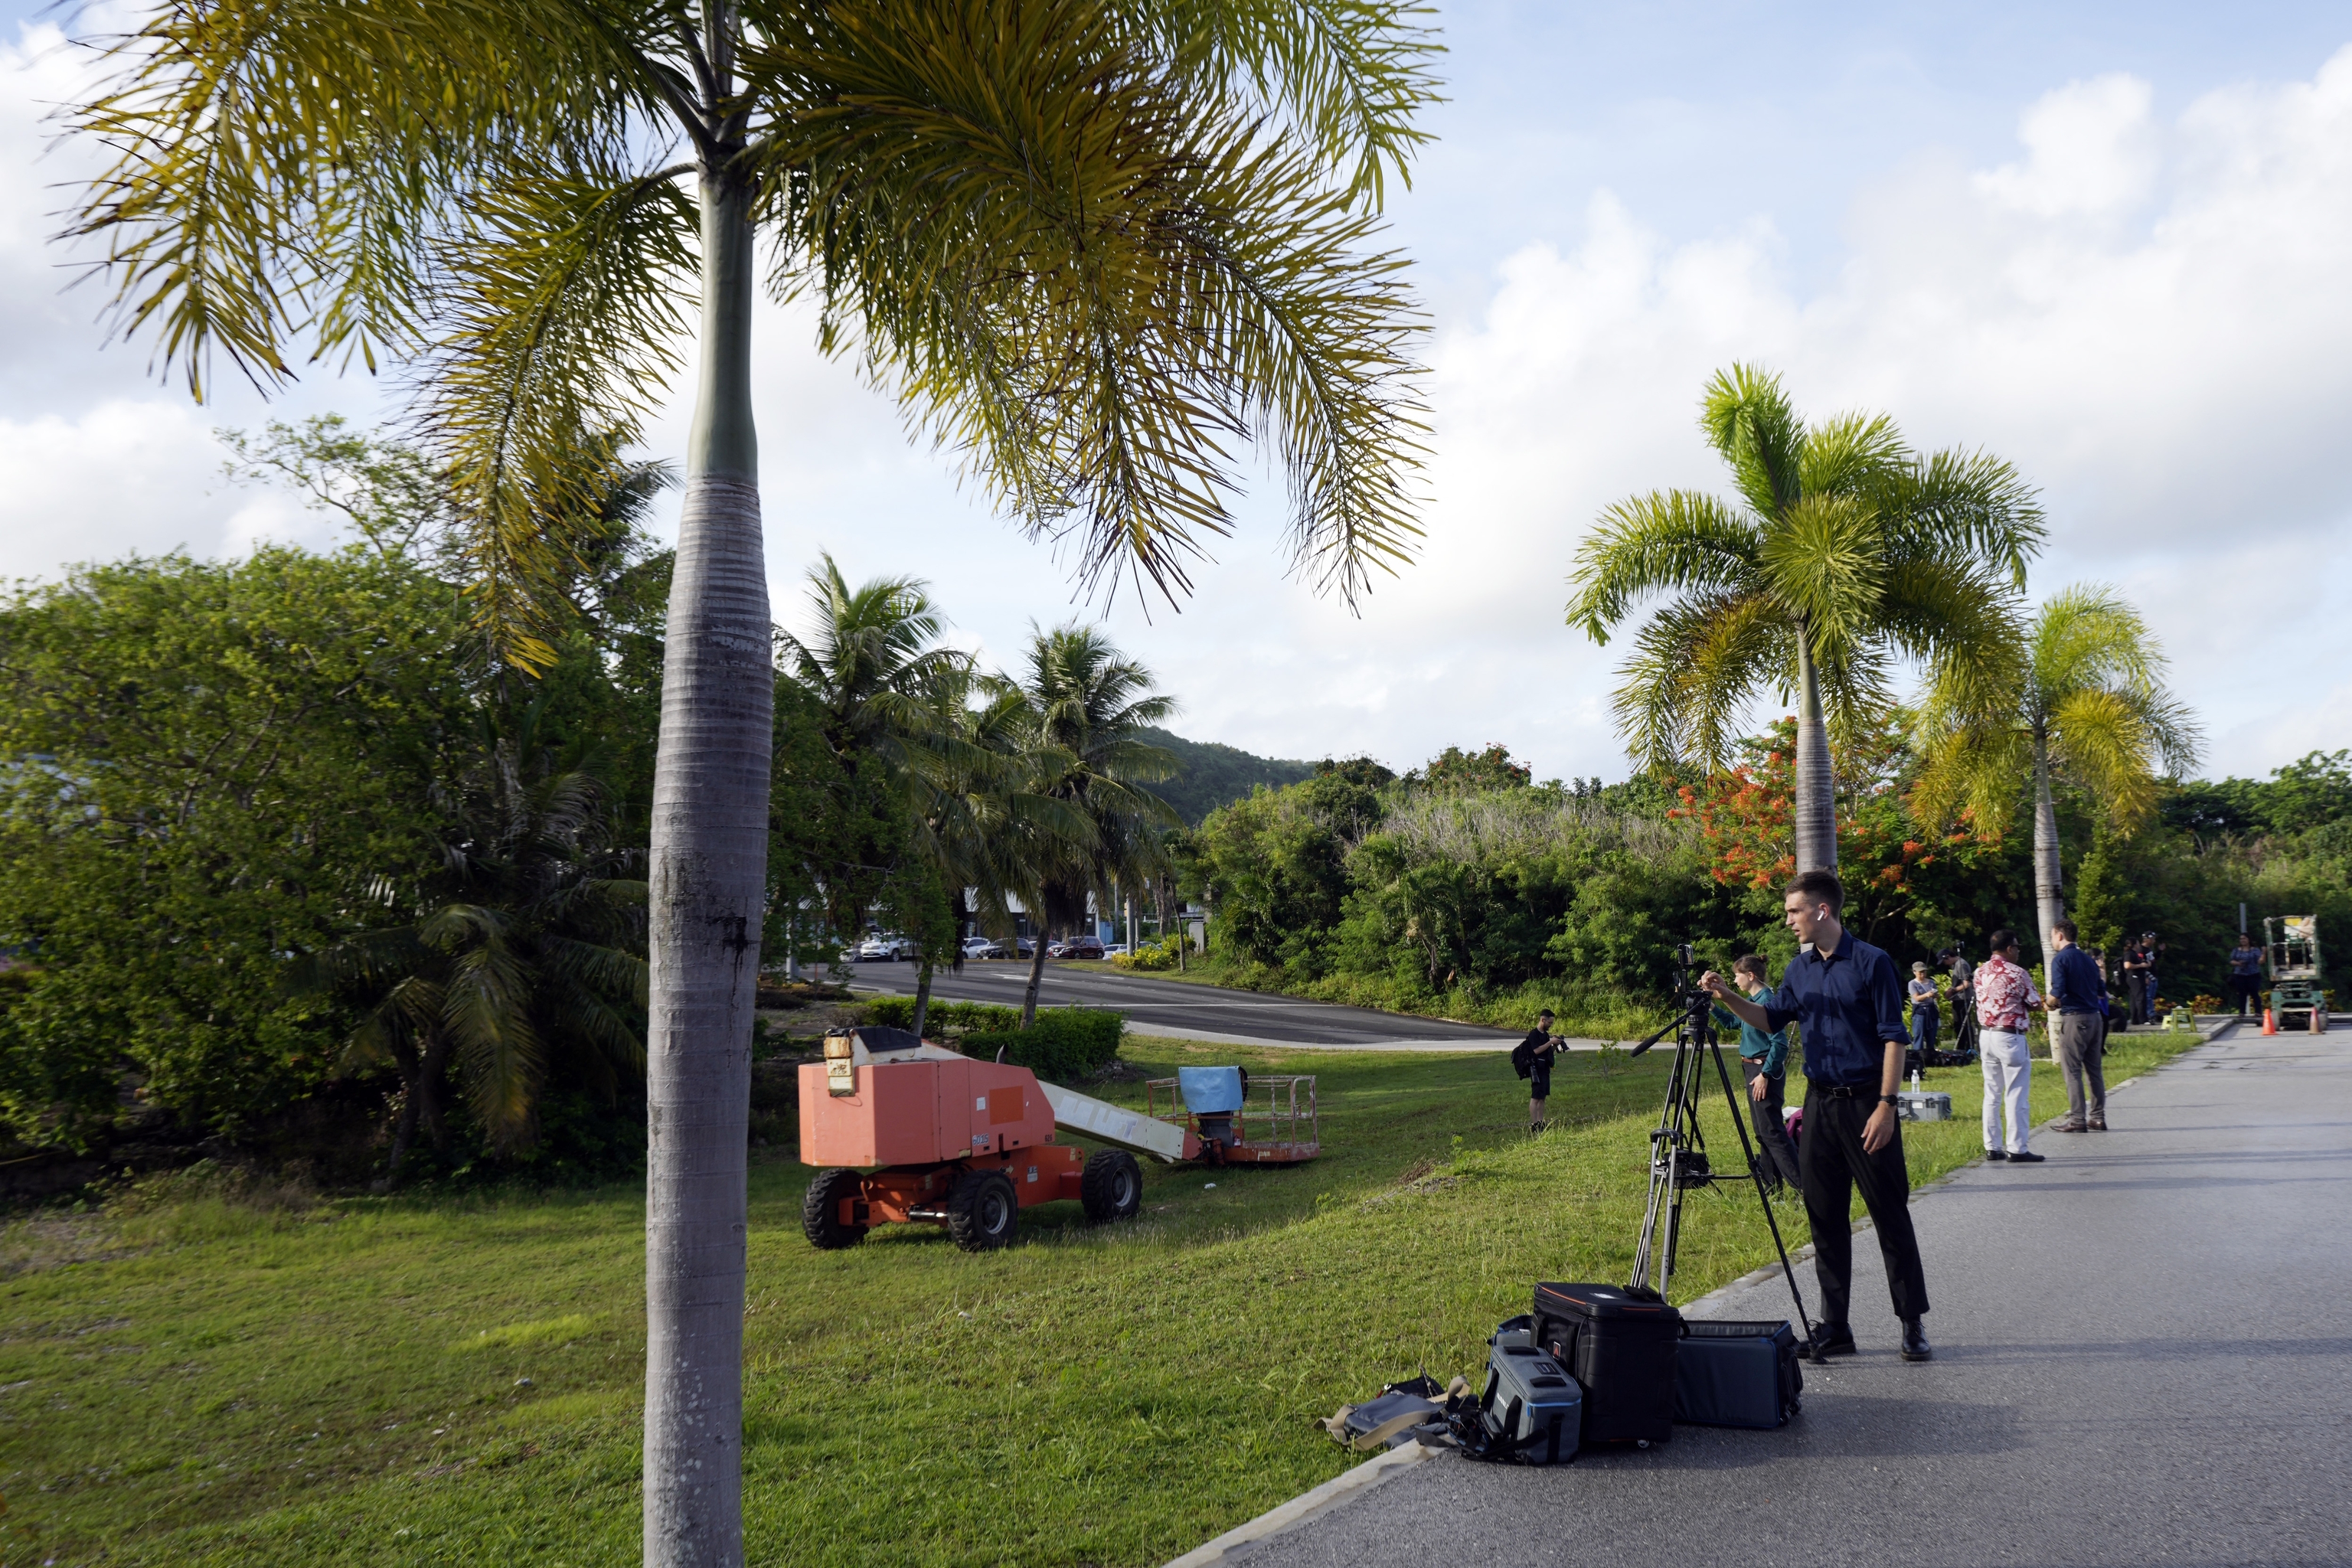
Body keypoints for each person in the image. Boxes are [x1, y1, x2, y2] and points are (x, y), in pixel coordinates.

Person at [1705, 871, 1933, 1363]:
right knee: (1824, 1216)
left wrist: (1887, 1107)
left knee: (1889, 1215)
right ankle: (1836, 1327)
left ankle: (1911, 1323)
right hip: (1819, 1104)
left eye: (1794, 912)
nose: (1788, 921)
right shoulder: (1799, 970)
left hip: (1868, 1104)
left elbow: (1894, 1036)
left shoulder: (1873, 963)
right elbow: (1770, 1020)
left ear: (1822, 911)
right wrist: (1727, 996)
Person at [1711, 955, 1801, 1195]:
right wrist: (1713, 1007)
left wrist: (1765, 1074)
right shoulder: (1752, 1000)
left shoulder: (1767, 1001)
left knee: (1773, 1132)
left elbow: (1780, 1044)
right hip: (1752, 1069)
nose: (1734, 980)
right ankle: (1773, 1191)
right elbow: (1733, 1023)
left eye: (1737, 975)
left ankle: (1804, 1188)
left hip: (1763, 1071)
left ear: (1750, 975)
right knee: (1763, 1133)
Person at [1974, 931, 2044, 1165]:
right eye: (2017, 946)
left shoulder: (1979, 972)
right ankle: (2017, 1147)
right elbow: (2035, 1003)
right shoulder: (2017, 973)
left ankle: (1992, 1146)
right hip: (2010, 1036)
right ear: (2009, 949)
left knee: (1991, 1093)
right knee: (2015, 1093)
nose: (2019, 950)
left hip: (1986, 1035)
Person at [2046, 920, 2108, 1133]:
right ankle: (2098, 1117)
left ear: (2060, 936)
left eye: (2053, 935)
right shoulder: (2089, 960)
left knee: (2072, 1071)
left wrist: (2048, 1003)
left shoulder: (2060, 959)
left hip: (2074, 1018)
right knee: (2094, 1070)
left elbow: (2058, 992)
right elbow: (2101, 989)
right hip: (2095, 1017)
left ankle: (2077, 1119)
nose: (2052, 940)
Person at [1512, 1008, 1563, 1132]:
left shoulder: (1545, 1035)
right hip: (1536, 1069)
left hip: (1545, 1068)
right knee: (1535, 1097)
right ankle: (1534, 1124)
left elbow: (1546, 1051)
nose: (1551, 1025)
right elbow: (1536, 1051)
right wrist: (1550, 1041)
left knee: (1543, 1097)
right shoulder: (1534, 1034)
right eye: (1549, 1023)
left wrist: (1554, 1046)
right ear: (1543, 1020)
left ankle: (1541, 1122)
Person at [1906, 961, 1941, 1066]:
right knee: (1919, 1035)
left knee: (1931, 1035)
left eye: (1924, 972)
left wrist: (1935, 995)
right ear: (1914, 972)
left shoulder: (1931, 982)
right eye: (1920, 972)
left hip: (1931, 1010)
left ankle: (1931, 1058)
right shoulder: (1912, 984)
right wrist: (1927, 995)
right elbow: (1916, 997)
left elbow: (1938, 995)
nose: (1922, 974)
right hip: (1920, 1011)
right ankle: (1917, 1060)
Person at [2229, 933, 2264, 1018]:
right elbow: (2231, 961)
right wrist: (2238, 963)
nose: (2242, 940)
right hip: (2240, 974)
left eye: (2244, 938)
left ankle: (2258, 1012)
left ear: (2248, 939)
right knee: (2242, 994)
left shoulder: (2254, 950)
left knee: (2254, 993)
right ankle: (2242, 1012)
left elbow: (2260, 961)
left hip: (2253, 974)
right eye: (2241, 939)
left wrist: (2264, 953)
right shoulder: (2236, 950)